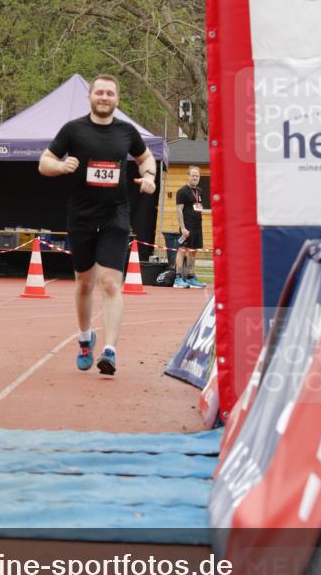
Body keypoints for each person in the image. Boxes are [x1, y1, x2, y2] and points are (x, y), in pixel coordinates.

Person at [39, 75, 156, 376]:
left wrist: (150, 177)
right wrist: (61, 166)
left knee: (110, 282)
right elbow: (44, 162)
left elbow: (146, 158)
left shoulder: (127, 132)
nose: (104, 97)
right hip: (81, 216)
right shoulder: (73, 130)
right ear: (90, 96)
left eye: (110, 93)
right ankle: (84, 338)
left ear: (117, 99)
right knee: (84, 282)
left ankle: (110, 350)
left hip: (115, 213)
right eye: (99, 92)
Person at [174, 165, 206, 289]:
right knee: (182, 250)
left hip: (197, 227)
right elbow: (179, 210)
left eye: (197, 176)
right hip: (186, 227)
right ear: (188, 176)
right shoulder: (182, 191)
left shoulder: (200, 191)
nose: (195, 178)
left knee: (193, 252)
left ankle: (191, 277)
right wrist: (183, 228)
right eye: (193, 175)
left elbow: (198, 207)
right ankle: (178, 279)